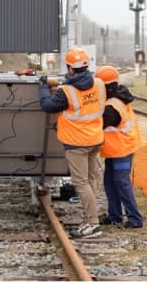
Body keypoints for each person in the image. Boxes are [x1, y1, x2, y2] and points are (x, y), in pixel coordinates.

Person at [39, 47, 106, 239]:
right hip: (95, 139)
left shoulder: (66, 91)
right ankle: (90, 217)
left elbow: (47, 106)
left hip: (77, 143)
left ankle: (92, 224)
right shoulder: (99, 83)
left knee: (81, 183)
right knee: (91, 178)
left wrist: (43, 87)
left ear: (69, 68)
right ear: (87, 65)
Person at [95, 65, 144, 229]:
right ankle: (115, 216)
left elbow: (99, 124)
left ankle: (135, 218)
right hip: (116, 149)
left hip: (122, 150)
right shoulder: (117, 98)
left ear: (105, 87)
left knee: (121, 182)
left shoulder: (112, 107)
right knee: (109, 182)